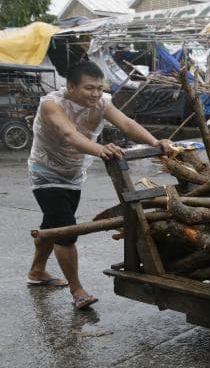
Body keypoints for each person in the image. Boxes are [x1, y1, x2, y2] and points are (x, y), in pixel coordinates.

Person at [27, 61, 173, 309]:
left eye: (98, 87)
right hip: (46, 171)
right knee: (65, 229)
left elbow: (126, 124)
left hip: (73, 173)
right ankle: (77, 290)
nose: (95, 93)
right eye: (88, 88)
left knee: (53, 223)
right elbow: (70, 135)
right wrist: (101, 150)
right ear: (71, 87)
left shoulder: (102, 102)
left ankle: (37, 271)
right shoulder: (51, 104)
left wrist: (156, 142)